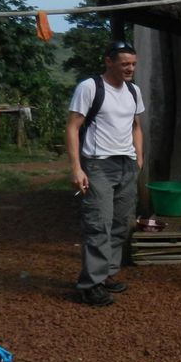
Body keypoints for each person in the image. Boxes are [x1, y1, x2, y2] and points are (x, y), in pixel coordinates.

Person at [65, 41, 145, 307]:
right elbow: (73, 127)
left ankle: (107, 274)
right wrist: (77, 168)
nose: (130, 68)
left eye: (133, 63)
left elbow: (136, 126)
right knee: (98, 223)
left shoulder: (133, 90)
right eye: (124, 64)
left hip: (126, 164)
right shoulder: (90, 87)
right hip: (98, 164)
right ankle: (90, 284)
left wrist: (139, 158)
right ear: (108, 62)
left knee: (121, 223)